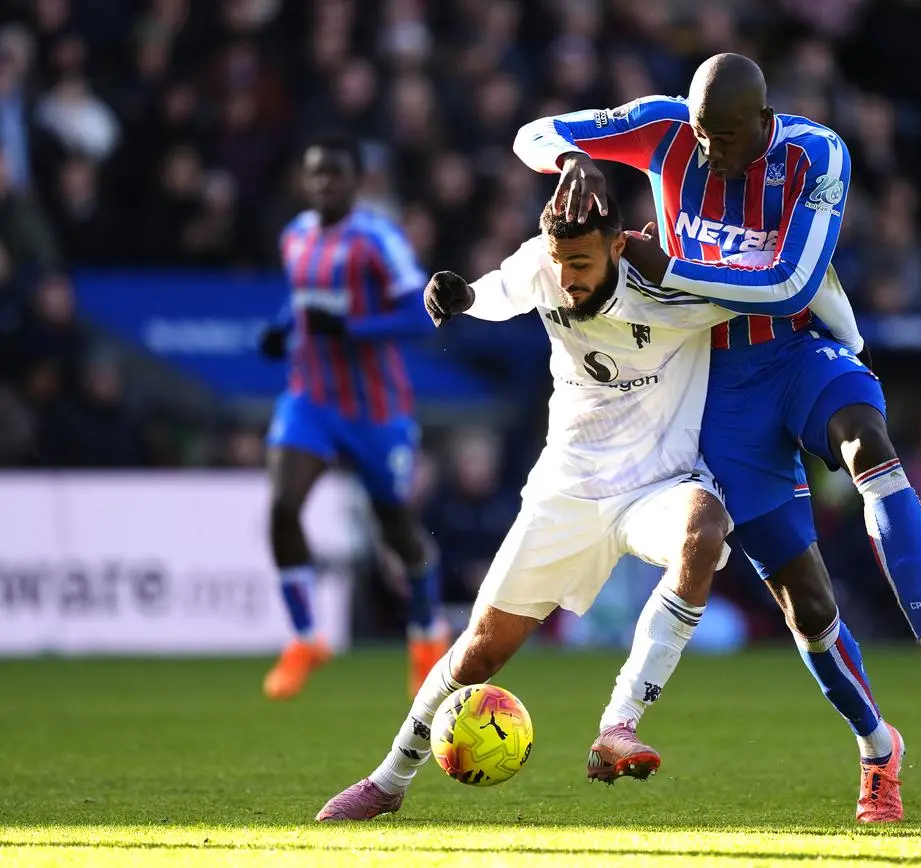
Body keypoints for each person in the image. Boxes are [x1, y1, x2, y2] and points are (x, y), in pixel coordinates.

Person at [513, 53, 921, 822]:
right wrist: (573, 159)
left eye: (727, 136)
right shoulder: (667, 130)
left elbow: (790, 286)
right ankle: (879, 748)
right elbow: (533, 132)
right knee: (805, 601)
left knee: (865, 441)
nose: (708, 150)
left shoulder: (817, 154)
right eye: (702, 132)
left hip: (798, 351)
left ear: (762, 122)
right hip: (718, 389)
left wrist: (669, 265)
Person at [315, 195, 867, 821]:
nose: (568, 278)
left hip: (659, 485)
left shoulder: (678, 286)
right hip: (568, 491)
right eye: (560, 263)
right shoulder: (545, 267)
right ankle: (389, 779)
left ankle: (619, 724)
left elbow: (795, 281)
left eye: (580, 262)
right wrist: (461, 295)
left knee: (703, 531)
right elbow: (503, 287)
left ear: (617, 246)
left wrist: (850, 343)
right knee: (480, 653)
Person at [258, 133, 446, 701]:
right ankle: (306, 637)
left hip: (375, 407)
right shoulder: (294, 236)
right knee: (282, 507)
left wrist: (357, 330)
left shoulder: (377, 240)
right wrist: (280, 330)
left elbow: (420, 313)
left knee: (396, 529)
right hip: (309, 398)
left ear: (356, 181)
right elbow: (301, 303)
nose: (323, 184)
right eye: (315, 174)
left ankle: (425, 638)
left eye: (334, 174)